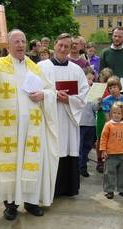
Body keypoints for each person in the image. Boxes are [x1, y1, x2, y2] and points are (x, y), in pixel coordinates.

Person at [0, 28, 59, 220]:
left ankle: (30, 202)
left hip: (32, 128)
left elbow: (50, 92)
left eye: (23, 41)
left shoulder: (35, 68)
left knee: (30, 164)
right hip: (9, 128)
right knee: (11, 165)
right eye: (16, 42)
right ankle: (10, 204)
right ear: (9, 45)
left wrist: (43, 95)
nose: (20, 45)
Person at [38, 33, 89, 197]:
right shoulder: (41, 67)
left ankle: (68, 188)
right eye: (60, 45)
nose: (63, 49)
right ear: (55, 44)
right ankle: (49, 189)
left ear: (71, 49)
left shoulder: (76, 70)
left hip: (68, 118)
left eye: (67, 46)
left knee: (67, 148)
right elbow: (34, 91)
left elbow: (84, 94)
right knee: (51, 149)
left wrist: (69, 100)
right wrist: (51, 95)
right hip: (49, 117)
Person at [100, 102, 123, 199]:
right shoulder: (108, 125)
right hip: (110, 154)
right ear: (111, 113)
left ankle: (122, 189)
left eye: (119, 113)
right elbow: (104, 138)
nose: (116, 115)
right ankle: (109, 190)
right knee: (109, 173)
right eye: (114, 112)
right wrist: (103, 150)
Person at [95, 67, 113, 173]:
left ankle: (108, 159)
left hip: (111, 115)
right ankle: (99, 160)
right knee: (100, 138)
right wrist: (98, 102)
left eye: (106, 79)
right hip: (101, 115)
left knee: (110, 138)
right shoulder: (98, 88)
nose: (104, 80)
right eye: (102, 77)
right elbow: (94, 104)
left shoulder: (113, 89)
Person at [79, 67, 96, 177]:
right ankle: (79, 167)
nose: (90, 81)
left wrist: (98, 102)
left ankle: (83, 165)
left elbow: (94, 108)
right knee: (79, 147)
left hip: (91, 123)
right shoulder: (79, 90)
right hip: (81, 123)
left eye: (92, 79)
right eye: (88, 78)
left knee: (87, 146)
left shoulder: (94, 91)